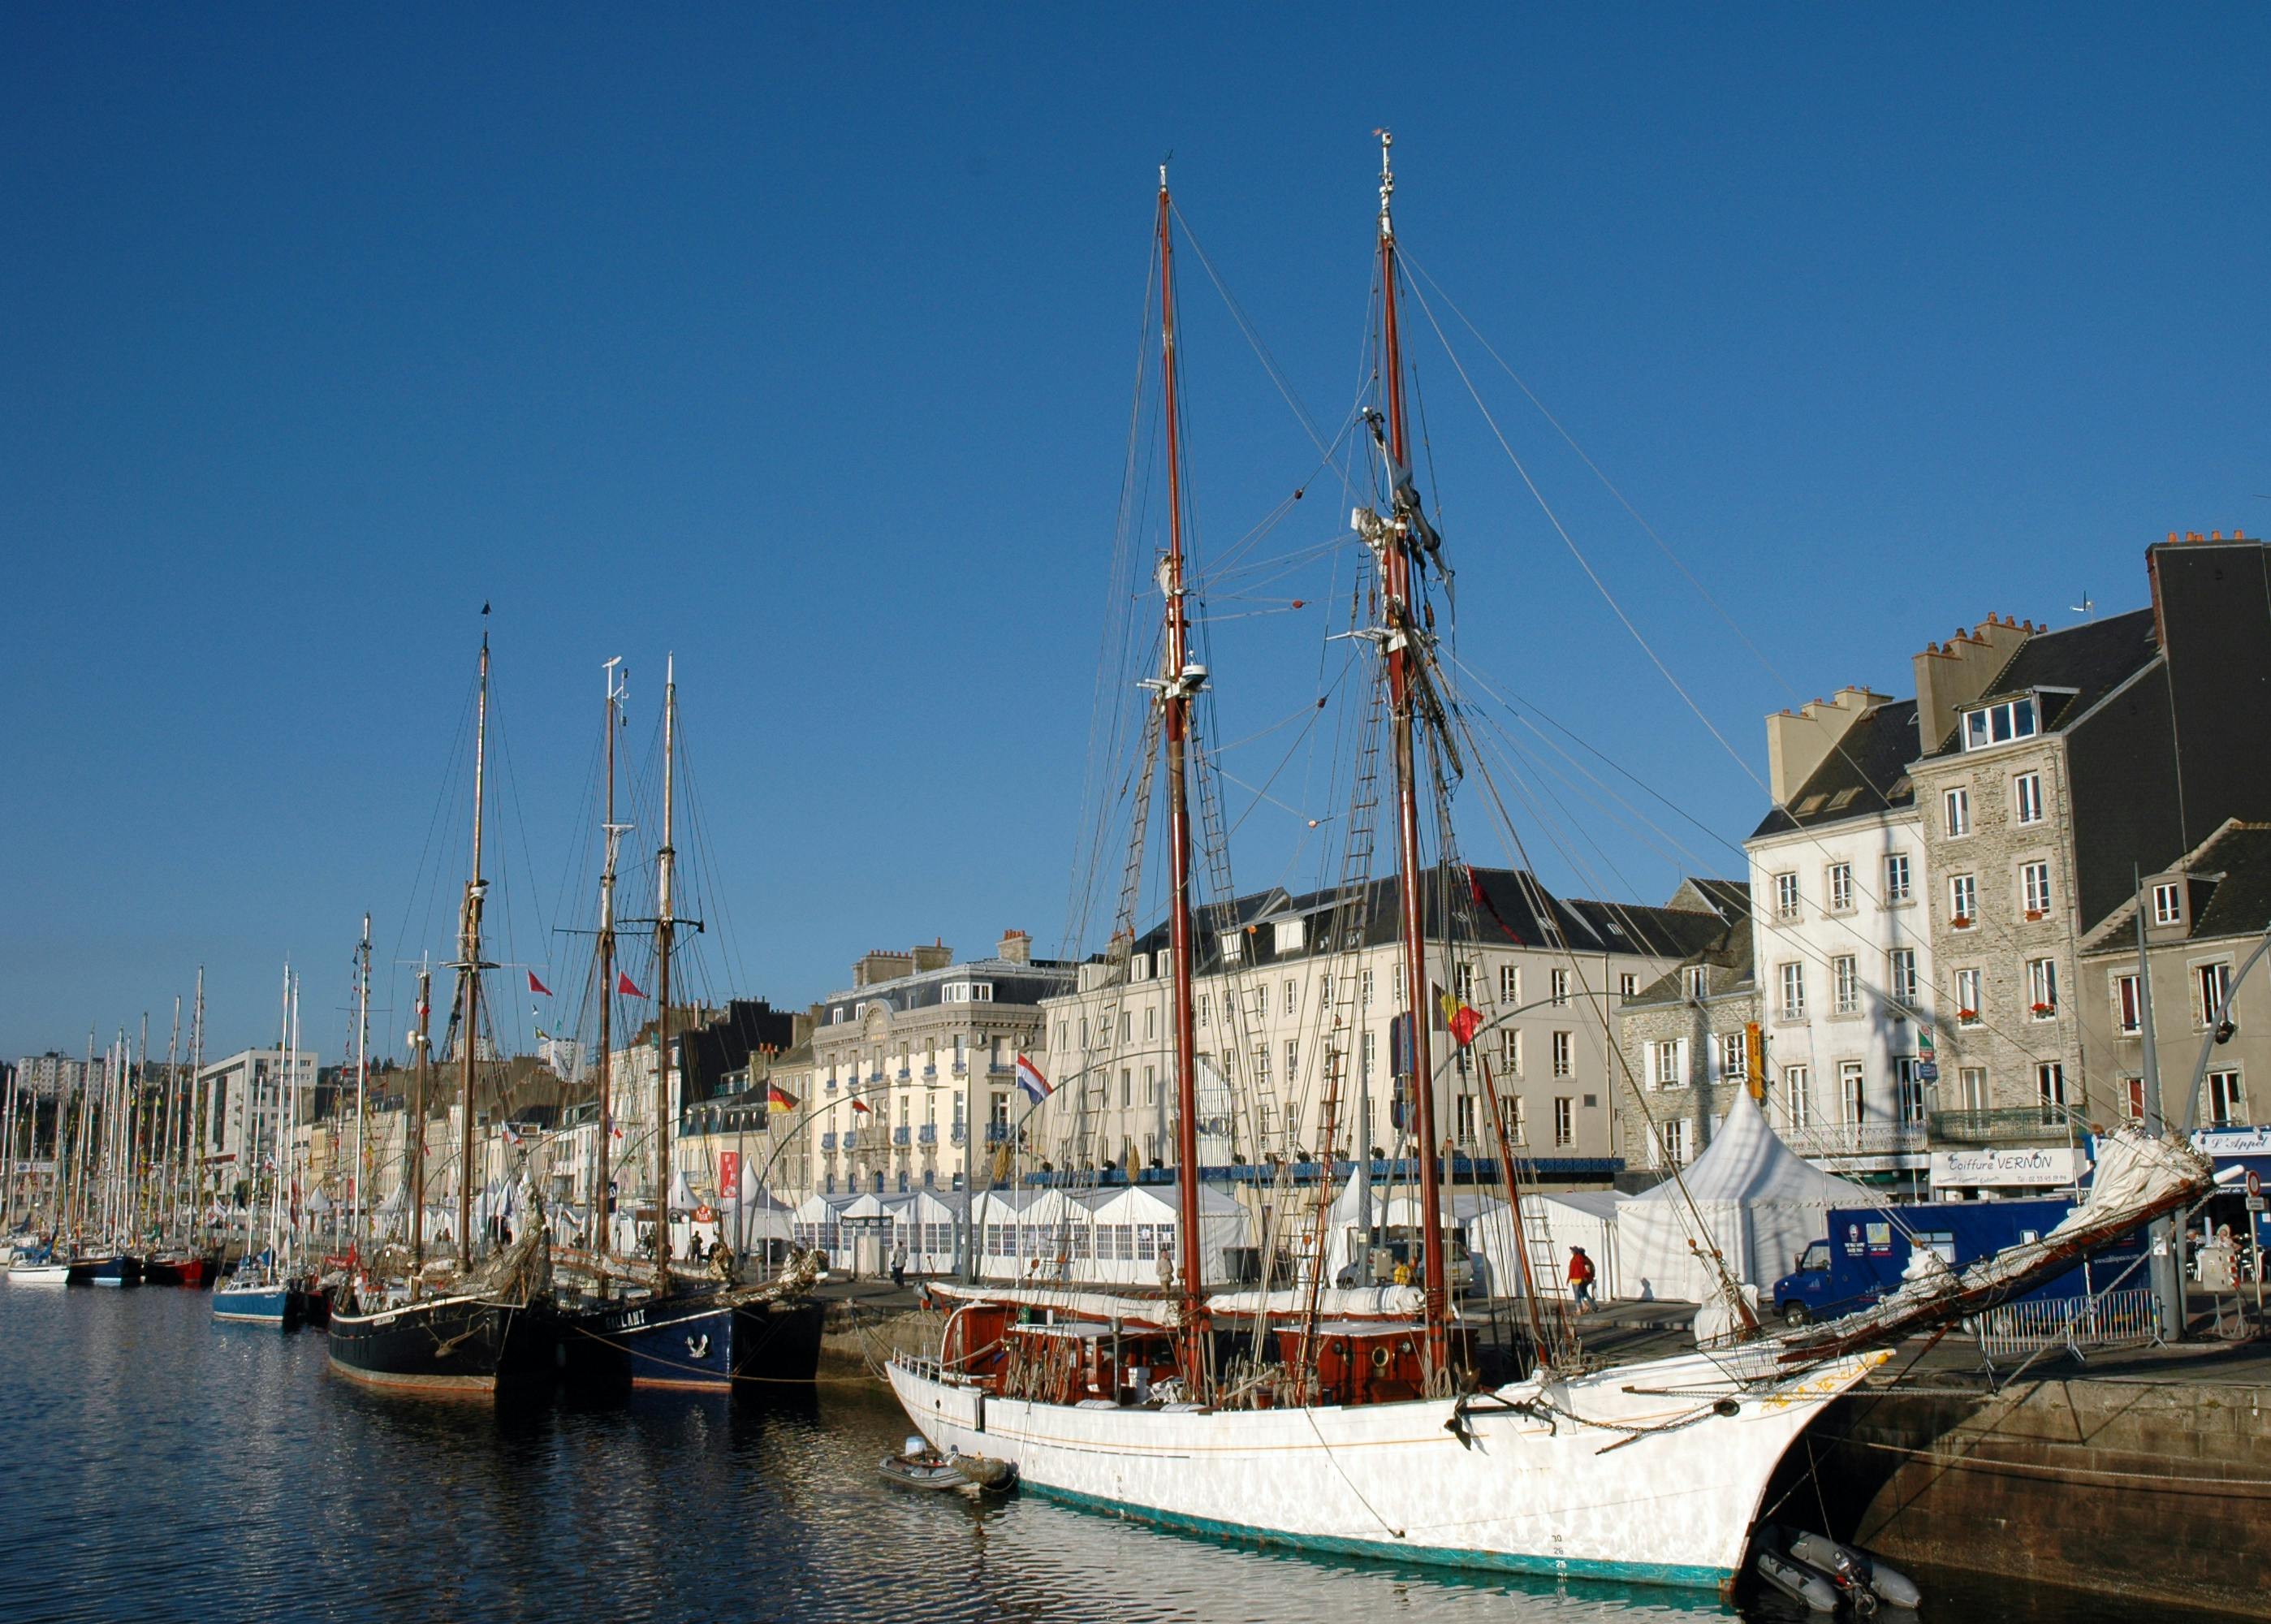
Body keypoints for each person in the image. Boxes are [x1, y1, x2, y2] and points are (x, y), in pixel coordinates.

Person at [1567, 1246, 1596, 1314]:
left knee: (1579, 1293)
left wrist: (1568, 1279)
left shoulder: (1575, 1260)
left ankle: (1580, 1309)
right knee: (1581, 1292)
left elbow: (1572, 1271)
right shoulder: (1583, 1259)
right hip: (1583, 1278)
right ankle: (1586, 1306)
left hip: (1578, 1279)